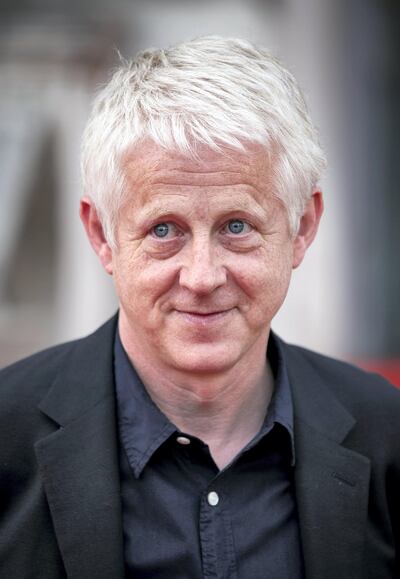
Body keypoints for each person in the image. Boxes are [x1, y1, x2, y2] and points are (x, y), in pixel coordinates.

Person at [0, 36, 399, 579]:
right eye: (164, 230)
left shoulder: (387, 432)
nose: (203, 277)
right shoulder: (6, 436)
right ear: (102, 235)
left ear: (301, 227)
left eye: (238, 226)